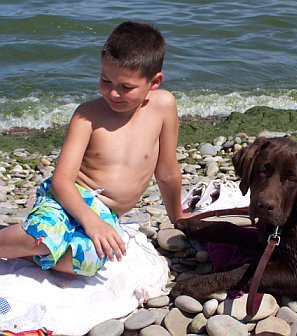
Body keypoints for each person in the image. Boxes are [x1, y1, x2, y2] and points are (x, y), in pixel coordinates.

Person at [0, 21, 186, 276]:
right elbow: (61, 180)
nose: (113, 93)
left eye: (126, 87)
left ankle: (29, 252)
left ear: (154, 82)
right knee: (43, 239)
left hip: (107, 212)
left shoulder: (164, 106)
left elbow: (166, 172)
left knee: (86, 263)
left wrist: (180, 220)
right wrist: (90, 221)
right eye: (105, 80)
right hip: (68, 199)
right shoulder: (87, 115)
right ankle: (17, 243)